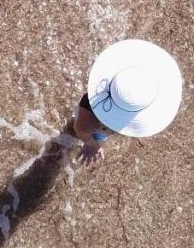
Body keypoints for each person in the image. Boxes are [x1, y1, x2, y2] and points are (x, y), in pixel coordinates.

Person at [73, 39, 183, 167]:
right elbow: (81, 130)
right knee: (95, 132)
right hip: (93, 116)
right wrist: (92, 144)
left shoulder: (133, 76)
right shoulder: (91, 122)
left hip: (100, 102)